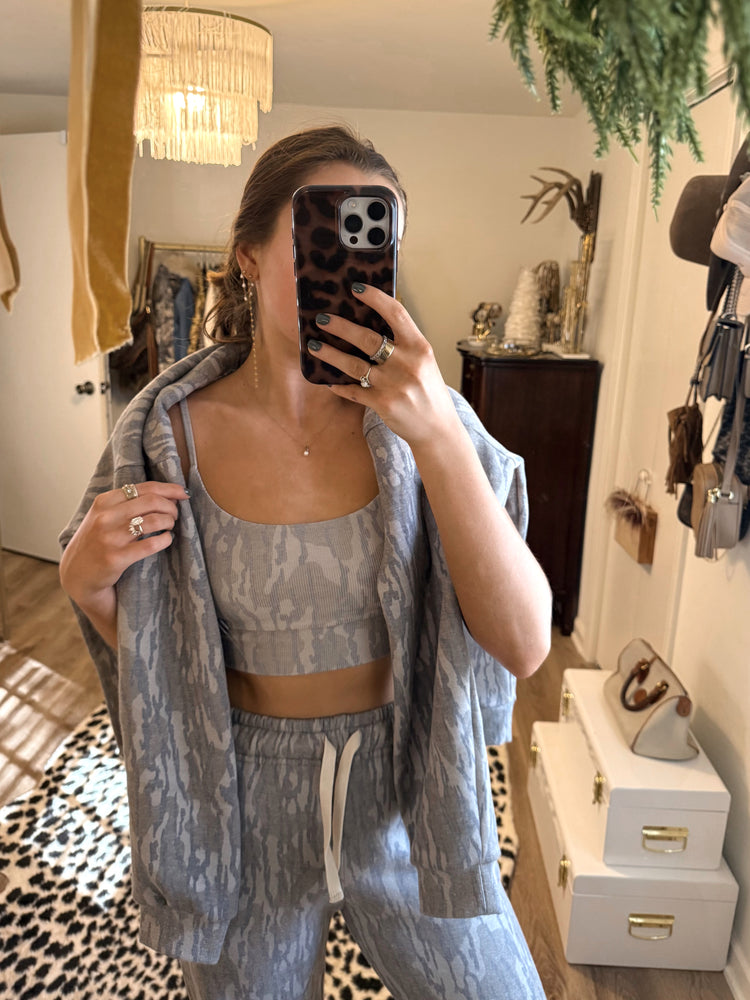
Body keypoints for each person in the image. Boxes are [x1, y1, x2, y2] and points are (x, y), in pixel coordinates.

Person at [59, 124, 551, 1000]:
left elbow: (523, 643)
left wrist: (437, 435)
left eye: (374, 237)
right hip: (240, 806)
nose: (349, 264)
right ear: (247, 255)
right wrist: (83, 579)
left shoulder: (429, 423)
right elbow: (158, 652)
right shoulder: (167, 437)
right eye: (318, 229)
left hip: (407, 788)